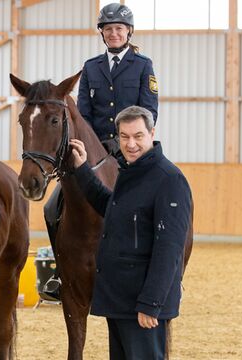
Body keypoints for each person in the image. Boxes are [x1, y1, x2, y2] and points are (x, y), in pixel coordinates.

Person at [40, 2, 159, 300]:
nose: (114, 33)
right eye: (108, 29)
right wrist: (91, 147)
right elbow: (83, 115)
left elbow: (149, 111)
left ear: (128, 32)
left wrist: (128, 143)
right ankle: (60, 271)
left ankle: (157, 271)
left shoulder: (143, 65)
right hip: (96, 150)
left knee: (154, 203)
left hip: (132, 149)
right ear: (102, 34)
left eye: (119, 28)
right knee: (52, 207)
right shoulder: (91, 67)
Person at [70, 106, 191, 359]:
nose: (131, 144)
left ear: (152, 133)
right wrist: (82, 170)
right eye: (124, 137)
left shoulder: (169, 179)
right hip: (120, 301)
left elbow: (169, 250)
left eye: (138, 136)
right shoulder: (129, 172)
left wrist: (151, 303)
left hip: (142, 306)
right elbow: (110, 206)